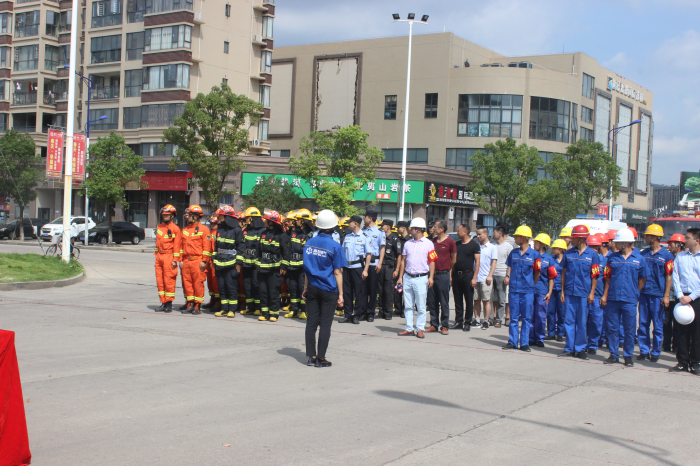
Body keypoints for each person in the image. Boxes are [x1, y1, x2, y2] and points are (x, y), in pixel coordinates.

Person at [302, 210, 348, 368]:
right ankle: (321, 358)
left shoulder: (308, 243)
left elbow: (307, 269)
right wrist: (341, 294)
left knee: (311, 323)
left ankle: (310, 356)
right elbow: (338, 272)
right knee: (325, 324)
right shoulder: (335, 246)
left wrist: (305, 287)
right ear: (333, 227)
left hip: (313, 287)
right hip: (329, 289)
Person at [601, 229, 647, 367]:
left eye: (618, 242)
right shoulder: (612, 258)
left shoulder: (639, 259)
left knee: (629, 329)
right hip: (613, 298)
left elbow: (643, 278)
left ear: (626, 243)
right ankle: (614, 354)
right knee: (612, 328)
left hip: (630, 300)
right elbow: (607, 277)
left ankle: (628, 356)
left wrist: (635, 292)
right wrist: (605, 295)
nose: (615, 245)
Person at [559, 225, 599, 359]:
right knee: (569, 321)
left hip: (583, 293)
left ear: (581, 238)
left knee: (581, 322)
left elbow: (595, 276)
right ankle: (569, 348)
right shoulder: (568, 254)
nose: (571, 240)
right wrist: (562, 292)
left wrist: (592, 292)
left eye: (574, 238)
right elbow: (563, 273)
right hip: (570, 292)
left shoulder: (593, 255)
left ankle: (580, 348)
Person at [637, 224, 675, 363]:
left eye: (647, 235)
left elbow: (668, 276)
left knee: (657, 325)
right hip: (644, 294)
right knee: (643, 324)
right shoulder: (643, 254)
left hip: (658, 296)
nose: (644, 237)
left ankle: (656, 352)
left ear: (654, 238)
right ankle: (644, 350)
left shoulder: (667, 256)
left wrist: (666, 296)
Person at [502, 225, 540, 352]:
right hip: (514, 290)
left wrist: (530, 284)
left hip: (527, 291)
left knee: (526, 318)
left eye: (517, 236)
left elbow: (537, 273)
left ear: (523, 238)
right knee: (513, 317)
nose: (515, 239)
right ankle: (512, 341)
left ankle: (524, 343)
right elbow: (509, 266)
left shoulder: (534, 255)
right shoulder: (514, 252)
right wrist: (508, 276)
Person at [396, 217, 436, 338]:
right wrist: (400, 277)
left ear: (418, 229)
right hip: (407, 276)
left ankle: (420, 328)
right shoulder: (407, 243)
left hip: (421, 277)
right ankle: (409, 328)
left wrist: (431, 277)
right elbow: (403, 260)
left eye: (411, 228)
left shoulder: (429, 244)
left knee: (421, 305)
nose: (409, 229)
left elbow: (432, 261)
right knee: (408, 304)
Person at [670, 228, 700, 374]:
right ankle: (682, 361)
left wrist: (691, 297)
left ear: (697, 240)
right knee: (681, 331)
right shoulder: (680, 256)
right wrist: (681, 294)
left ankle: (695, 362)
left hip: (696, 298)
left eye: (687, 237)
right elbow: (675, 276)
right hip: (681, 297)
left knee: (696, 332)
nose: (684, 240)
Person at [256, 210, 290, 322]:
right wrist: (257, 263)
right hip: (262, 268)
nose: (264, 222)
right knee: (263, 291)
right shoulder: (262, 233)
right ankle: (264, 313)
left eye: (266, 220)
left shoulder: (282, 236)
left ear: (271, 222)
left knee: (273, 291)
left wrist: (284, 266)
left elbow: (286, 252)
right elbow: (258, 251)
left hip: (275, 269)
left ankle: (274, 314)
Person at [212, 206, 244, 318]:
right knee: (222, 287)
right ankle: (224, 309)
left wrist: (239, 262)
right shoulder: (220, 229)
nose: (218, 218)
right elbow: (216, 246)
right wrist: (214, 259)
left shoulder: (237, 230)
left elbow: (241, 247)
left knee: (231, 287)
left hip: (231, 264)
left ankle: (232, 310)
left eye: (220, 216)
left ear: (226, 217)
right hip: (220, 263)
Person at [179, 205, 212, 314]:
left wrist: (204, 261)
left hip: (198, 261)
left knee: (198, 283)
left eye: (189, 215)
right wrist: (181, 260)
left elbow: (206, 247)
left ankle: (197, 305)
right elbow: (181, 247)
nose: (187, 216)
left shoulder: (204, 230)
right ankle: (190, 303)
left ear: (196, 216)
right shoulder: (185, 230)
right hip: (187, 260)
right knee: (187, 283)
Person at [340, 216, 371, 324]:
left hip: (358, 268)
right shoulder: (347, 237)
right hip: (347, 268)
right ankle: (347, 314)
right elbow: (342, 253)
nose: (348, 224)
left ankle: (357, 315)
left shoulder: (364, 237)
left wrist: (366, 270)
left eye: (350, 222)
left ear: (356, 224)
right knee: (347, 292)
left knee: (359, 293)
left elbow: (368, 255)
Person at [426, 221, 456, 334]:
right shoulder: (432, 242)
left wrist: (449, 270)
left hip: (444, 274)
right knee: (432, 301)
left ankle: (444, 325)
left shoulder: (450, 242)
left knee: (444, 301)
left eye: (435, 227)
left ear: (442, 229)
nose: (433, 229)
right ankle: (434, 324)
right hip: (432, 274)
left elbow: (454, 259)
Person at [450, 224, 480, 331]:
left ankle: (467, 322)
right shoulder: (456, 244)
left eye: (458, 231)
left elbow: (477, 262)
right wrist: (451, 275)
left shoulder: (474, 245)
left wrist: (474, 277)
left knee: (468, 299)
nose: (457, 233)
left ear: (465, 232)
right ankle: (459, 321)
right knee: (457, 299)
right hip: (456, 274)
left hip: (468, 275)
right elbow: (452, 261)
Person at [530, 233, 557, 347]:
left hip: (542, 291)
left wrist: (550, 292)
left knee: (541, 316)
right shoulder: (531, 256)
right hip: (530, 290)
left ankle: (540, 338)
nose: (534, 244)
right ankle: (531, 338)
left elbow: (551, 277)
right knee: (530, 315)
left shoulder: (549, 259)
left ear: (542, 245)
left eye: (536, 242)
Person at [285, 211, 312, 320]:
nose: (296, 221)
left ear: (304, 220)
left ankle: (304, 310)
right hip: (292, 264)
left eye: (298, 219)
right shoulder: (294, 232)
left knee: (302, 288)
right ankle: (294, 309)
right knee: (293, 287)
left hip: (302, 266)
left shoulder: (310, 234)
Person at [154, 204, 181, 313]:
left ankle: (168, 304)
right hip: (159, 256)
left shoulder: (175, 229)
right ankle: (163, 302)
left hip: (169, 256)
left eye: (167, 215)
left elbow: (177, 246)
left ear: (172, 216)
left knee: (169, 280)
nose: (165, 217)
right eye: (163, 215)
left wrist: (175, 260)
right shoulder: (160, 227)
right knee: (160, 281)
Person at [584, 233, 607, 355]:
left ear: (596, 248)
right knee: (583, 321)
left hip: (598, 296)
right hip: (584, 294)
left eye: (591, 247)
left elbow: (608, 280)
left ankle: (593, 344)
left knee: (596, 322)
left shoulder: (605, 261)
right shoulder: (586, 258)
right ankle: (583, 343)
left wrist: (604, 296)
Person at [362, 210, 386, 322]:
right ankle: (362, 311)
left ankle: (371, 312)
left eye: (365, 217)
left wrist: (380, 263)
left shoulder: (380, 232)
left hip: (374, 263)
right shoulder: (362, 231)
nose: (364, 219)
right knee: (363, 289)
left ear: (370, 218)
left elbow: (382, 248)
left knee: (372, 289)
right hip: (363, 263)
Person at [663, 233, 686, 353]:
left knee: (678, 323)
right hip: (669, 295)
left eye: (671, 244)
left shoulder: (683, 259)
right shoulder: (668, 257)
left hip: (679, 295)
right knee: (666, 321)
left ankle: (676, 346)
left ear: (679, 245)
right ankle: (666, 344)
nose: (669, 246)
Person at [240, 206, 264, 316]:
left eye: (247, 218)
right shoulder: (245, 231)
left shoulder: (261, 231)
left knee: (256, 285)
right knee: (247, 285)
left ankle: (258, 308)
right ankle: (250, 307)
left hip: (256, 264)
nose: (245, 220)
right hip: (246, 263)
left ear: (253, 218)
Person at [474, 226, 497, 329]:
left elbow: (494, 262)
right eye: (477, 234)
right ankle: (477, 320)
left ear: (486, 234)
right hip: (476, 277)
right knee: (476, 300)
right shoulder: (476, 246)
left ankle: (486, 321)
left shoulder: (492, 247)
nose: (478, 236)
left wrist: (490, 275)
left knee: (486, 300)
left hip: (485, 278)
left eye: (480, 234)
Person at [378, 220, 402, 320]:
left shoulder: (395, 239)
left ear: (388, 227)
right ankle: (381, 310)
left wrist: (397, 269)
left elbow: (399, 255)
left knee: (388, 290)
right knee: (380, 289)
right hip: (381, 266)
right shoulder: (381, 237)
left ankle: (388, 312)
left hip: (389, 267)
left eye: (382, 226)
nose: (381, 227)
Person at [491, 225, 513, 328]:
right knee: (491, 298)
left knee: (501, 298)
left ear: (500, 233)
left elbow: (510, 263)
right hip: (491, 274)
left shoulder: (508, 247)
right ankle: (491, 318)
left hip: (501, 274)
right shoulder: (492, 245)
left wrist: (507, 276)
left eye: (494, 232)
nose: (493, 234)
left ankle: (499, 319)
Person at [546, 239, 566, 341]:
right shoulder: (550, 259)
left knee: (561, 312)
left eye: (555, 248)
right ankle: (551, 332)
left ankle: (560, 333)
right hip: (552, 289)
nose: (553, 250)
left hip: (561, 289)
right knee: (550, 312)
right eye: (552, 248)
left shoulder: (566, 260)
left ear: (561, 249)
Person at [203, 212, 221, 313]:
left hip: (215, 260)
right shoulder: (210, 232)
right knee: (210, 281)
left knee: (215, 282)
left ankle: (218, 301)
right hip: (209, 259)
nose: (212, 225)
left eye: (214, 223)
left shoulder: (218, 233)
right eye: (211, 223)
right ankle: (212, 298)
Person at [394, 221, 410, 317]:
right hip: (399, 266)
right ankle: (398, 309)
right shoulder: (398, 240)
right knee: (398, 289)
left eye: (398, 227)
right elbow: (398, 255)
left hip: (408, 268)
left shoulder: (410, 240)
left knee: (407, 291)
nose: (397, 229)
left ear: (404, 228)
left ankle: (405, 309)